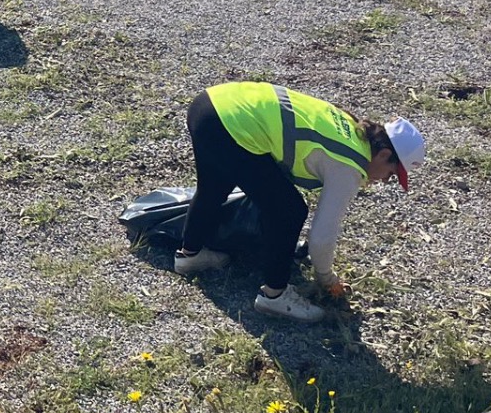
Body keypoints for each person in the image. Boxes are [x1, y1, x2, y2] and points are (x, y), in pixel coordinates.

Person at [171, 81, 426, 322]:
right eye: (391, 174)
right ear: (383, 154)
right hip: (231, 125)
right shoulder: (349, 166)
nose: (383, 181)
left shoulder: (351, 125)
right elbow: (322, 238)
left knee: (214, 186)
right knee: (289, 210)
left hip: (210, 105)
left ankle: (189, 255)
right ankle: (275, 295)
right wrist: (326, 279)